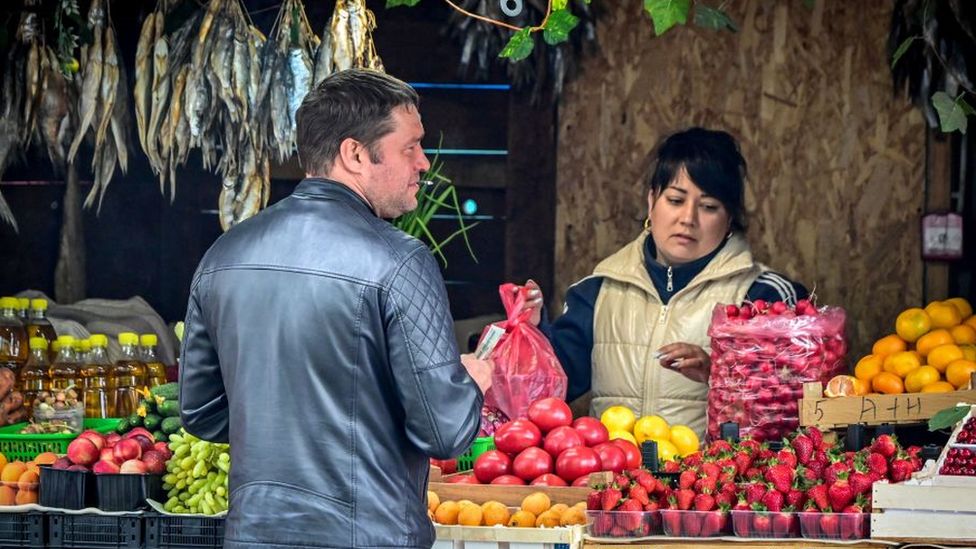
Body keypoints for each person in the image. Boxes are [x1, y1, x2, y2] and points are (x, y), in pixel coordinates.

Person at [179, 69, 492, 549]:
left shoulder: (224, 254)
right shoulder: (400, 260)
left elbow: (200, 411)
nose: (424, 163)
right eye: (410, 147)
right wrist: (471, 380)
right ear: (355, 153)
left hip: (252, 535)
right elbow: (444, 431)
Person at [522, 127, 807, 437]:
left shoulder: (764, 296)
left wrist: (718, 371)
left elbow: (790, 406)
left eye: (709, 207)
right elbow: (546, 391)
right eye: (675, 200)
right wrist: (530, 333)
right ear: (651, 201)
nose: (688, 218)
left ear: (728, 220)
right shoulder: (598, 292)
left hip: (712, 483)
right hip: (612, 481)